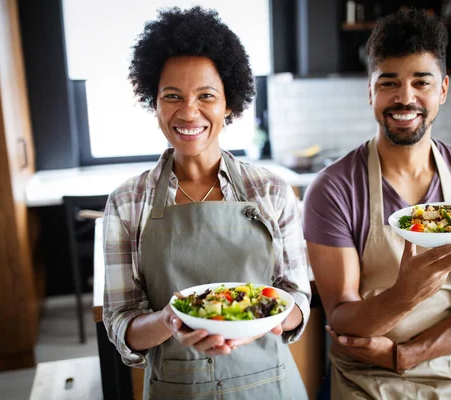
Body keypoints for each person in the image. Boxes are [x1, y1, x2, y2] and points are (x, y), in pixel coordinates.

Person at [304, 9, 451, 399]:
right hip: (368, 374)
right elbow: (343, 317)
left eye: (422, 82)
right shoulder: (333, 189)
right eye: (389, 83)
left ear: (444, 90)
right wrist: (405, 294)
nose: (405, 98)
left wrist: (407, 354)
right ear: (370, 91)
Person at [103, 7, 310, 399]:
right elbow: (121, 324)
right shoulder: (127, 202)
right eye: (172, 97)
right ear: (155, 103)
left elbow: (297, 296)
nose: (188, 112)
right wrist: (170, 320)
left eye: (206, 96)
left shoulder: (271, 191)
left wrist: (263, 319)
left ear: (228, 103)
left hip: (270, 385)